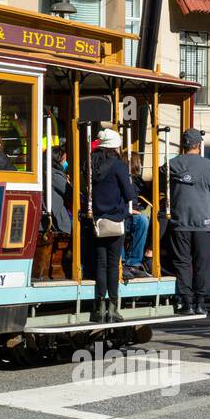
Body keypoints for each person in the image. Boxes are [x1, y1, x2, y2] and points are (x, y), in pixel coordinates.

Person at [166, 127, 210, 315]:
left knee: (182, 262)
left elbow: (160, 179)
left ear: (183, 145)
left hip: (180, 221)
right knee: (202, 263)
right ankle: (200, 302)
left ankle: (187, 303)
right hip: (204, 222)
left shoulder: (171, 164)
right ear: (199, 145)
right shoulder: (209, 166)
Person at [88, 128, 135, 323]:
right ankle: (113, 308)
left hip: (97, 221)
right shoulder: (118, 165)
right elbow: (130, 194)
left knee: (100, 263)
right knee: (113, 264)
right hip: (115, 220)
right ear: (115, 146)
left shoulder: (89, 163)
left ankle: (98, 308)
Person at [123, 152, 151, 273]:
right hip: (122, 213)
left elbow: (148, 196)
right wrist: (128, 210)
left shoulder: (138, 180)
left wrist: (140, 206)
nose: (140, 164)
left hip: (134, 214)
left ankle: (133, 262)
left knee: (143, 220)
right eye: (139, 161)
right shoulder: (122, 177)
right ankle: (122, 261)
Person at [49, 146, 72, 235]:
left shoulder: (49, 171)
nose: (66, 163)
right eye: (64, 160)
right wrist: (69, 183)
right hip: (58, 220)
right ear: (58, 160)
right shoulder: (55, 175)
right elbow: (70, 193)